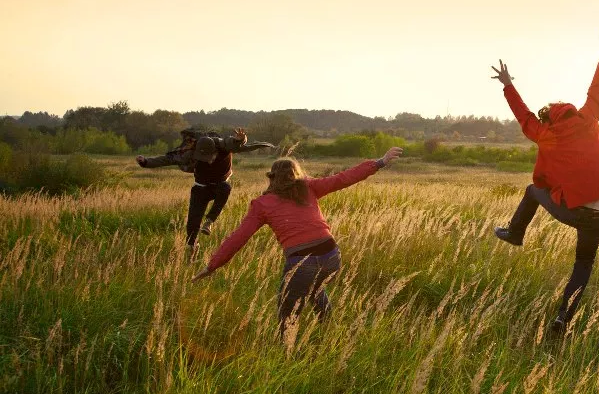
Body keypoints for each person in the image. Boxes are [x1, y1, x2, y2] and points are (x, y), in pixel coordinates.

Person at [490, 26, 599, 334]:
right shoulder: (588, 119)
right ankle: (563, 317)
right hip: (597, 215)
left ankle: (514, 233)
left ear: (549, 118)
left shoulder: (544, 134)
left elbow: (523, 115)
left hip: (569, 210)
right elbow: (597, 89)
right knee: (583, 266)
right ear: (571, 112)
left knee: (532, 190)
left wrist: (508, 85)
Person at [191, 148, 403, 339]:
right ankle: (330, 333)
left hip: (302, 262)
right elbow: (344, 178)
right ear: (297, 174)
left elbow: (238, 237)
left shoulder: (262, 204)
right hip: (331, 255)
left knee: (287, 313)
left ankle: (287, 351)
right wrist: (380, 162)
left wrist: (212, 266)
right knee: (315, 290)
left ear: (272, 177)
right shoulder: (309, 187)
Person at [136, 128, 275, 253]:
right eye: (203, 158)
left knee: (225, 188)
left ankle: (209, 222)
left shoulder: (223, 145)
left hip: (219, 185)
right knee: (192, 223)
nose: (208, 161)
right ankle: (191, 248)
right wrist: (145, 162)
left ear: (215, 150)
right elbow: (167, 159)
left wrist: (241, 139)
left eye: (210, 157)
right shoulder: (190, 153)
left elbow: (237, 143)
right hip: (201, 188)